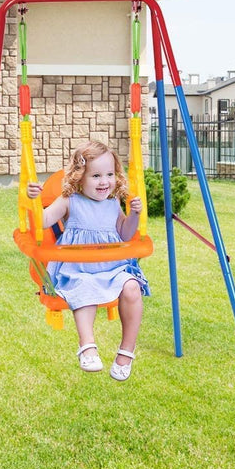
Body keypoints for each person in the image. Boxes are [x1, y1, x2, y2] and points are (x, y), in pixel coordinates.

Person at [27, 140, 149, 381]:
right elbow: (42, 222)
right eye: (96, 175)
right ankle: (88, 347)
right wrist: (32, 199)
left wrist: (134, 214)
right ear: (79, 177)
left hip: (112, 268)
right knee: (85, 287)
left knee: (133, 287)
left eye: (109, 174)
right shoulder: (68, 200)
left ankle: (126, 352)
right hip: (78, 268)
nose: (104, 182)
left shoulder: (113, 203)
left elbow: (125, 234)